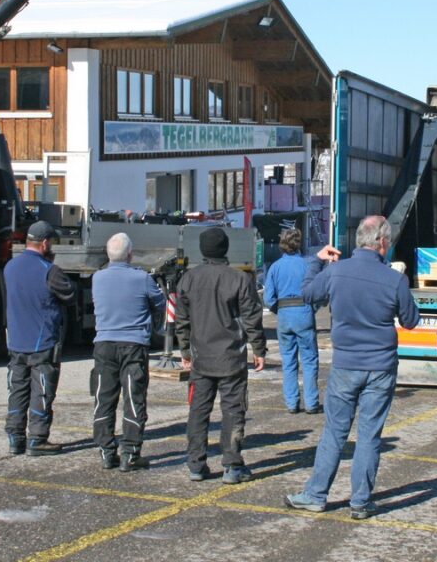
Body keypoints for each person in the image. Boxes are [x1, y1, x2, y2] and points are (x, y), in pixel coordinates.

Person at [285, 215, 420, 520]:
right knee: (369, 436)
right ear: (382, 242)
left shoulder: (337, 271)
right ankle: (360, 501)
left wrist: (317, 262)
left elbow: (307, 294)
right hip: (381, 366)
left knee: (334, 432)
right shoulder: (394, 279)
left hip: (346, 364)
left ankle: (316, 495)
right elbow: (411, 321)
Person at [175, 227, 267, 484]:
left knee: (198, 411)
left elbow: (182, 320)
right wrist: (258, 349)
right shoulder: (239, 279)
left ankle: (196, 464)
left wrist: (185, 351)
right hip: (231, 358)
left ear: (202, 250)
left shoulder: (188, 278)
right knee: (233, 410)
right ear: (225, 249)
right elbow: (252, 317)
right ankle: (232, 465)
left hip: (201, 357)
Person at [90, 232, 165, 472]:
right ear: (130, 255)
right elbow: (160, 304)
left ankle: (106, 451)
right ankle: (130, 453)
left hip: (104, 344)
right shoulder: (142, 278)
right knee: (133, 398)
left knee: (104, 398)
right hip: (134, 345)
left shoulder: (97, 278)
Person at [4, 220, 77, 456]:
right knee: (42, 390)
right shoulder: (49, 271)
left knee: (17, 389)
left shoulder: (10, 267)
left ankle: (15, 437)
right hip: (42, 341)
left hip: (16, 341)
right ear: (45, 243)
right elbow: (69, 294)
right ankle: (37, 438)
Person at [264, 227, 321, 415]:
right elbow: (318, 293)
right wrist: (312, 308)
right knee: (309, 360)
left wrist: (279, 310)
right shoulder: (307, 265)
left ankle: (291, 403)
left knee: (288, 361)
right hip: (304, 312)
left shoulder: (275, 267)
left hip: (284, 315)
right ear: (299, 244)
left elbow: (268, 298)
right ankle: (311, 403)